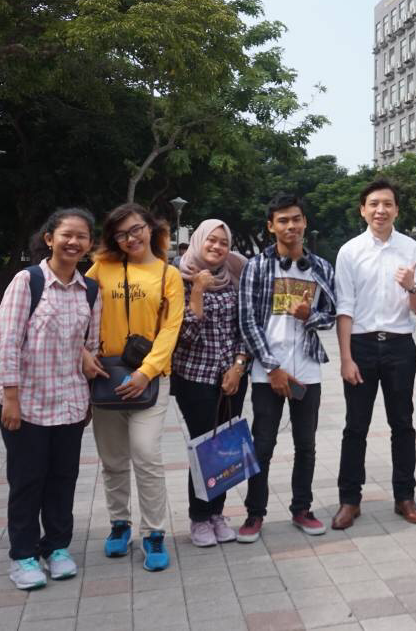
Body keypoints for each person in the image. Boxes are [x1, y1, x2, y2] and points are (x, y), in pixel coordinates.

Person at [0, 208, 103, 591]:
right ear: (49, 238)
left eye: (82, 236)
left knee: (63, 479)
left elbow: (92, 346)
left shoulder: (90, 290)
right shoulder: (28, 281)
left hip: (70, 402)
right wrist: (11, 397)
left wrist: (88, 396)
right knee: (28, 480)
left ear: (90, 244)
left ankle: (56, 547)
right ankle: (23, 555)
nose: (73, 242)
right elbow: (8, 341)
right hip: (27, 403)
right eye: (66, 235)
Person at [87, 203, 184, 572]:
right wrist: (83, 353)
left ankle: (154, 531)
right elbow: (79, 311)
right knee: (113, 460)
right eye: (121, 234)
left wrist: (147, 371)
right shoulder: (101, 269)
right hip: (105, 375)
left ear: (150, 227)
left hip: (150, 378)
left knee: (146, 454)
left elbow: (171, 328)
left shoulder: (168, 274)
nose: (131, 238)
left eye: (136, 229)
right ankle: (119, 523)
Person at [237, 194, 338, 541]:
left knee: (305, 445)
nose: (290, 226)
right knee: (262, 445)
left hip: (308, 368)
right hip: (267, 372)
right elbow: (247, 321)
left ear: (305, 222)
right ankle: (254, 513)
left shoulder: (322, 268)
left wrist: (310, 315)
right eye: (282, 220)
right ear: (271, 226)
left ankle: (302, 509)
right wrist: (272, 368)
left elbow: (331, 316)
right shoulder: (257, 266)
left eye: (296, 219)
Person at [332, 179, 416, 529]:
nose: (380, 210)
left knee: (402, 424)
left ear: (397, 210)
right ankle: (349, 500)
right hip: (361, 345)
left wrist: (411, 286)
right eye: (373, 204)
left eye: (387, 204)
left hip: (400, 346)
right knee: (355, 426)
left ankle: (405, 497)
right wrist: (346, 358)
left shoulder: (412, 249)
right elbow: (344, 307)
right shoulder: (350, 251)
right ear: (363, 210)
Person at [171, 219, 248, 548]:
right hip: (195, 378)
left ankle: (217, 513)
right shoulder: (178, 278)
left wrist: (239, 366)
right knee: (205, 447)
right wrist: (198, 290)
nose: (217, 247)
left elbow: (245, 326)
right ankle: (199, 517)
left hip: (232, 376)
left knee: (226, 447)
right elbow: (184, 336)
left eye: (223, 242)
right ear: (198, 241)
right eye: (211, 240)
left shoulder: (233, 276)